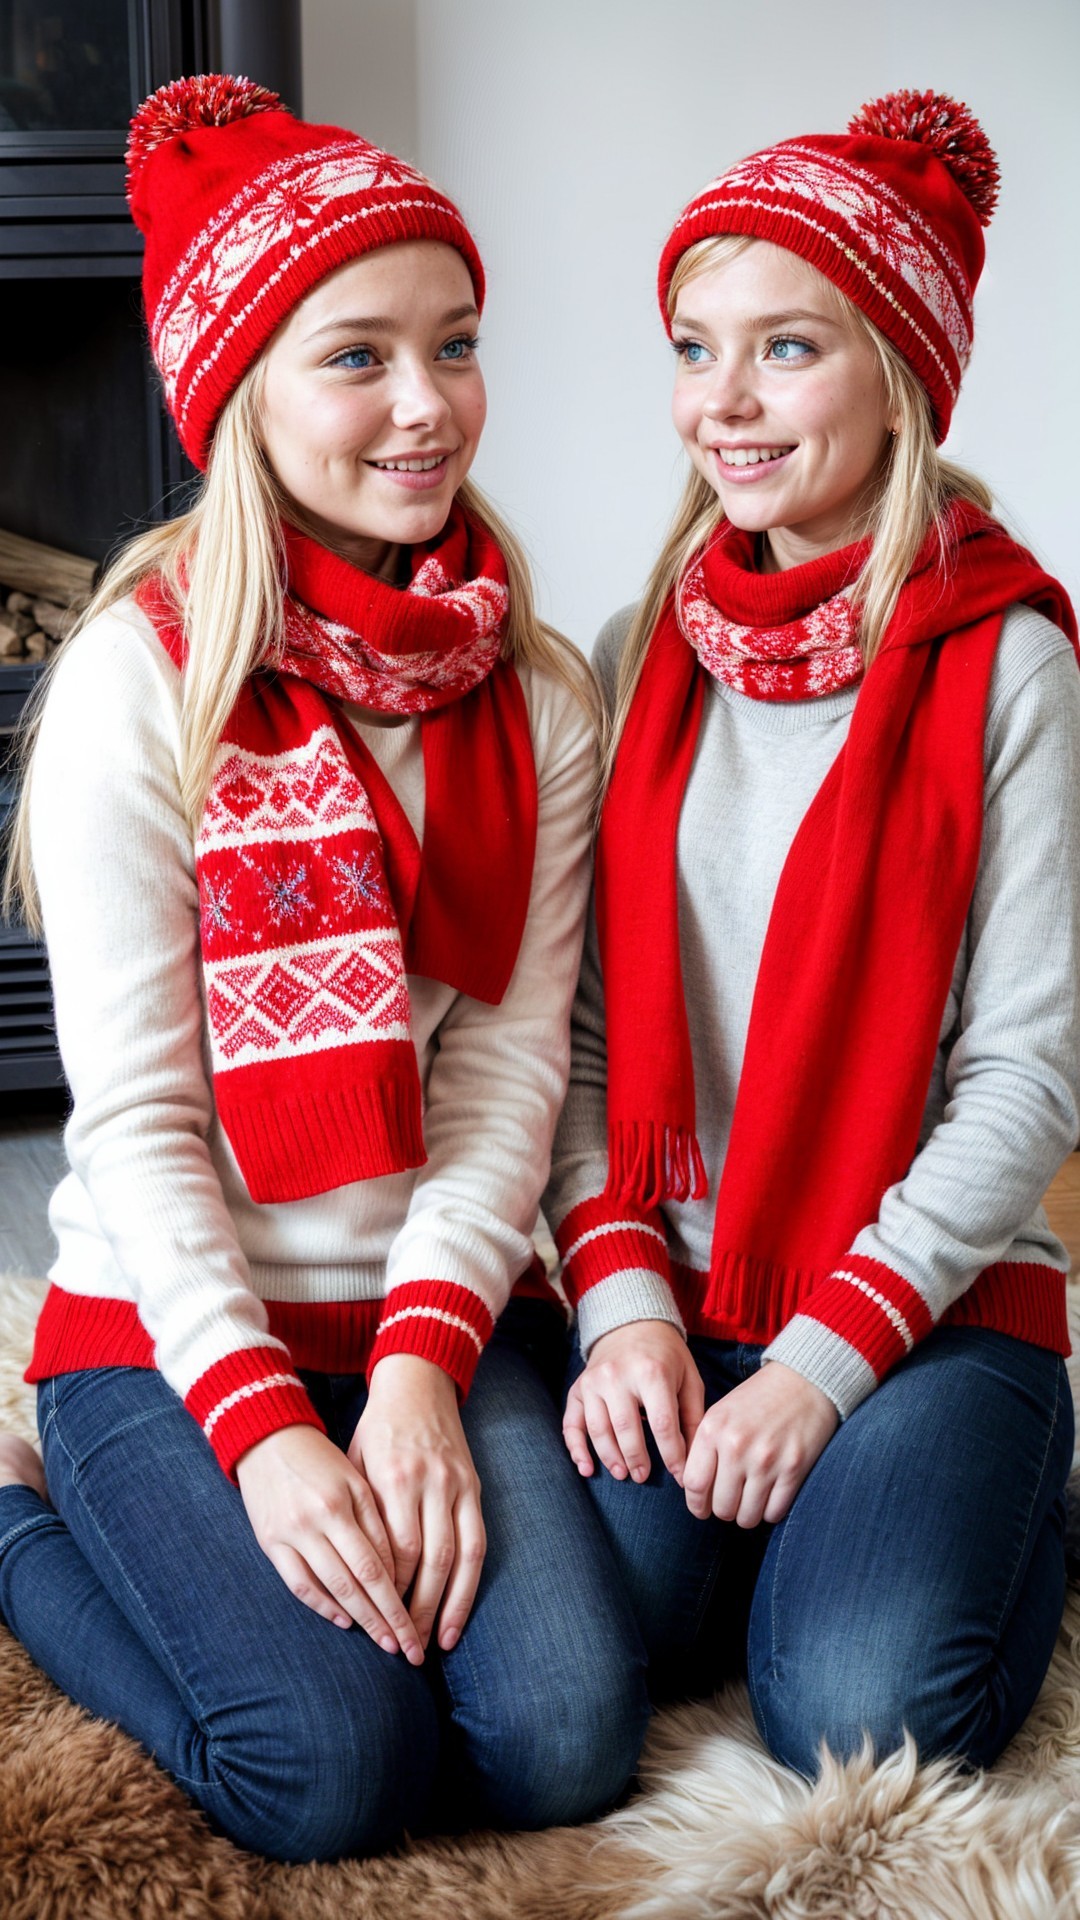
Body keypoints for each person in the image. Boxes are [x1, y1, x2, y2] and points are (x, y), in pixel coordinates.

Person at [0, 76, 647, 1861]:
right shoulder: (146, 682)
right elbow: (132, 1122)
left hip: (423, 1312)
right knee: (330, 1770)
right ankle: (15, 1523)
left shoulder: (534, 696)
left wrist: (430, 1370)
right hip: (169, 1325)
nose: (428, 407)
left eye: (454, 344)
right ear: (244, 395)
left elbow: (505, 1075)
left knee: (565, 1743)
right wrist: (271, 1430)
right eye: (356, 357)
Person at [544, 90, 1079, 1778]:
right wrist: (622, 1295)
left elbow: (1028, 1078)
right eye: (698, 349)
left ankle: (993, 1493)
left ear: (903, 370)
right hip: (681, 1283)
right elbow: (575, 1044)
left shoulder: (1013, 667)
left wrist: (823, 1374)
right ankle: (816, 1526)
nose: (726, 403)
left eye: (788, 348)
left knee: (860, 1703)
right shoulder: (643, 644)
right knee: (564, 1659)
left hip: (930, 1296)